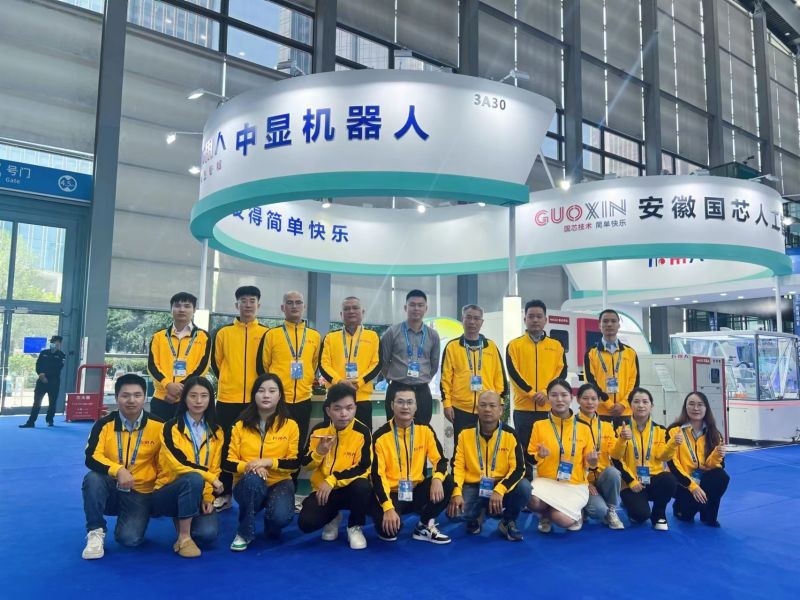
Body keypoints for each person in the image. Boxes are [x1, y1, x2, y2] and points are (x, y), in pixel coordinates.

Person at [81, 374, 162, 560]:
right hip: (111, 486)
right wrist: (118, 470)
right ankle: (95, 531)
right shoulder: (103, 425)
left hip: (140, 491)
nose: (131, 400)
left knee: (129, 540)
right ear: (117, 397)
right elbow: (91, 457)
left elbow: (165, 463)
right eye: (125, 395)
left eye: (137, 395)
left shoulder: (159, 426)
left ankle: (142, 513)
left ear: (145, 397)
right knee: (93, 478)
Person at [224, 373, 300, 551]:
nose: (266, 395)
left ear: (279, 396)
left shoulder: (290, 426)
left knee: (280, 518)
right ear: (254, 395)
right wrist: (250, 466)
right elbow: (227, 463)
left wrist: (268, 462)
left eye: (272, 391)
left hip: (279, 482)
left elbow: (294, 463)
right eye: (261, 391)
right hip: (247, 482)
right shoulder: (239, 425)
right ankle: (244, 533)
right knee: (253, 480)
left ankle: (271, 522)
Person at [210, 285, 269, 511]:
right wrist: (229, 381)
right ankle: (225, 493)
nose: (248, 305)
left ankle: (257, 493)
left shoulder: (266, 333)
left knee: (256, 444)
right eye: (244, 300)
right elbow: (217, 363)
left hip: (256, 400)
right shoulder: (223, 333)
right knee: (226, 446)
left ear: (258, 305)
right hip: (228, 399)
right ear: (237, 305)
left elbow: (267, 364)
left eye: (252, 300)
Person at [370, 385, 454, 544]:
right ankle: (387, 513)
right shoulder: (380, 436)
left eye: (410, 402)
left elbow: (441, 460)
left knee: (447, 482)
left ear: (416, 406)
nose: (405, 407)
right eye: (400, 402)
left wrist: (437, 478)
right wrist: (387, 507)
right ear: (392, 405)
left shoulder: (425, 429)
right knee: (389, 533)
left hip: (415, 490)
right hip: (392, 493)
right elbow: (377, 476)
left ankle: (424, 525)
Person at [152, 376, 223, 557]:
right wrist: (210, 478)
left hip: (198, 492)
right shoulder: (170, 428)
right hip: (168, 490)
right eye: (193, 396)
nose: (198, 401)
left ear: (210, 399)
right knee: (193, 478)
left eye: (204, 396)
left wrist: (208, 497)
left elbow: (214, 467)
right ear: (184, 399)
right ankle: (184, 538)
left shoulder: (217, 432)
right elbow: (178, 464)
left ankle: (184, 518)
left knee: (207, 534)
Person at [447, 391, 530, 542]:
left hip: (501, 485)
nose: (487, 409)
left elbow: (519, 469)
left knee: (525, 488)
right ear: (477, 408)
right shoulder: (465, 433)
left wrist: (500, 490)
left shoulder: (510, 434)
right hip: (474, 485)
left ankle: (508, 521)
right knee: (454, 514)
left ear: (500, 410)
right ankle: (477, 515)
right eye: (483, 405)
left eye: (492, 405)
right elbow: (457, 466)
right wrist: (457, 492)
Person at [297, 383, 373, 550]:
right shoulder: (319, 430)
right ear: (328, 411)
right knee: (306, 523)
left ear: (355, 408)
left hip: (349, 489)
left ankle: (354, 526)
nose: (344, 414)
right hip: (324, 492)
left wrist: (333, 480)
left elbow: (364, 467)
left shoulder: (362, 432)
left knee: (363, 486)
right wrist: (319, 452)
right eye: (337, 408)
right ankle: (333, 518)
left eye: (349, 408)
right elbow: (306, 465)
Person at [527, 379, 596, 534]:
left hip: (574, 483)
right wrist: (539, 455)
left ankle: (572, 513)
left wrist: (592, 461)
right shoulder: (539, 426)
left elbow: (589, 463)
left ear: (571, 398)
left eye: (564, 395)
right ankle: (544, 515)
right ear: (548, 398)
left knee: (562, 520)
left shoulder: (584, 428)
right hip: (546, 481)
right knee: (531, 500)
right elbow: (530, 457)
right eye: (554, 395)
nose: (559, 399)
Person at [257, 290, 321, 455]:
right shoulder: (272, 334)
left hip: (303, 399)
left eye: (298, 302)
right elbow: (263, 367)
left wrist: (306, 381)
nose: (294, 306)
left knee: (298, 443)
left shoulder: (314, 336)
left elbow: (314, 365)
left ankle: (293, 472)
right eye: (290, 302)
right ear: (282, 307)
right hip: (278, 400)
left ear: (304, 307)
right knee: (274, 442)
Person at [505, 299, 568, 458]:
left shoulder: (556, 346)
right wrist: (532, 394)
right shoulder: (514, 345)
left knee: (551, 452)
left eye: (539, 316)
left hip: (549, 408)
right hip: (523, 409)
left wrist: (546, 393)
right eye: (531, 316)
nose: (535, 320)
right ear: (524, 319)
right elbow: (513, 374)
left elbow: (561, 373)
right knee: (526, 454)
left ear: (545, 320)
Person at [611, 387, 678, 531]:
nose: (641, 405)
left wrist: (672, 444)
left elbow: (663, 456)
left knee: (669, 480)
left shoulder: (660, 430)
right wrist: (622, 440)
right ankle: (630, 504)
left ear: (651, 406)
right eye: (636, 402)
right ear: (630, 405)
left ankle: (659, 514)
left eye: (645, 402)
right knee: (640, 516)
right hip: (630, 483)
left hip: (653, 480)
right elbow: (615, 458)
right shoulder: (620, 428)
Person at [441, 304, 507, 442]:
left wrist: (499, 404)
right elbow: (445, 379)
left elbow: (499, 378)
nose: (472, 322)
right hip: (460, 409)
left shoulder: (491, 347)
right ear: (462, 319)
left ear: (482, 322)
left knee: (488, 446)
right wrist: (447, 404)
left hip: (487, 408)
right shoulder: (452, 347)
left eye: (476, 318)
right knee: (461, 446)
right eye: (469, 317)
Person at [667, 391, 730, 527]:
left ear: (706, 408)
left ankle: (708, 514)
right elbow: (672, 464)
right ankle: (680, 507)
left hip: (703, 479)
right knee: (685, 517)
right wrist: (692, 486)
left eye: (700, 405)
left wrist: (717, 455)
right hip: (682, 482)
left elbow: (717, 466)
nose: (696, 408)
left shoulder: (714, 433)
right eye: (691, 404)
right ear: (685, 407)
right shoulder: (673, 430)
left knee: (721, 476)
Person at [380, 289, 441, 425]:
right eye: (412, 305)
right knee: (394, 428)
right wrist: (394, 378)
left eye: (420, 305)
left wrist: (421, 379)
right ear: (405, 307)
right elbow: (383, 362)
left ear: (426, 308)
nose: (416, 308)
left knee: (422, 429)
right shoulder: (392, 332)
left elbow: (434, 365)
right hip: (397, 389)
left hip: (422, 391)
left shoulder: (433, 335)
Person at [147, 292, 211, 422]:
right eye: (177, 306)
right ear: (171, 309)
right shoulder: (158, 336)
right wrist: (168, 385)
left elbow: (202, 367)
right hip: (162, 398)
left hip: (189, 399)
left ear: (194, 310)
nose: (182, 309)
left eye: (187, 306)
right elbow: (152, 366)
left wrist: (180, 389)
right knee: (158, 433)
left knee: (185, 433)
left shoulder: (203, 337)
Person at [319, 296, 381, 429]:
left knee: (363, 438)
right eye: (347, 309)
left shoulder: (373, 336)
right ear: (341, 314)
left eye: (355, 308)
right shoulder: (330, 337)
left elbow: (376, 364)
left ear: (362, 312)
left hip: (361, 399)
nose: (351, 311)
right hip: (335, 399)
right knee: (333, 437)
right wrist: (339, 382)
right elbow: (323, 365)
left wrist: (359, 383)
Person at [575, 383, 625, 530]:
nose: (590, 402)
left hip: (602, 478)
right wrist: (585, 483)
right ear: (578, 400)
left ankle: (611, 510)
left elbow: (615, 454)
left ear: (598, 401)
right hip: (580, 480)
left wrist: (622, 440)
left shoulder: (606, 426)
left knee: (613, 472)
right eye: (585, 398)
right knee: (598, 511)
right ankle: (581, 507)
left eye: (593, 399)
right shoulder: (571, 425)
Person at [583, 309, 639, 424]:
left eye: (613, 321)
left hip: (625, 412)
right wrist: (608, 404)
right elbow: (590, 382)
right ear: (599, 325)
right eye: (605, 321)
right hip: (600, 411)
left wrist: (623, 404)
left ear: (619, 325)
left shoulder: (630, 353)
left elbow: (634, 382)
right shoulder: (591, 353)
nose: (609, 324)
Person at [19, 334, 66, 428]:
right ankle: (31, 422)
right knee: (37, 402)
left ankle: (50, 420)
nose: (54, 344)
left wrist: (45, 375)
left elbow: (58, 368)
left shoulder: (61, 355)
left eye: (56, 343)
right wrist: (40, 374)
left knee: (52, 403)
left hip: (53, 382)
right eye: (52, 342)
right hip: (41, 381)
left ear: (60, 344)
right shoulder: (44, 353)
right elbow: (38, 364)